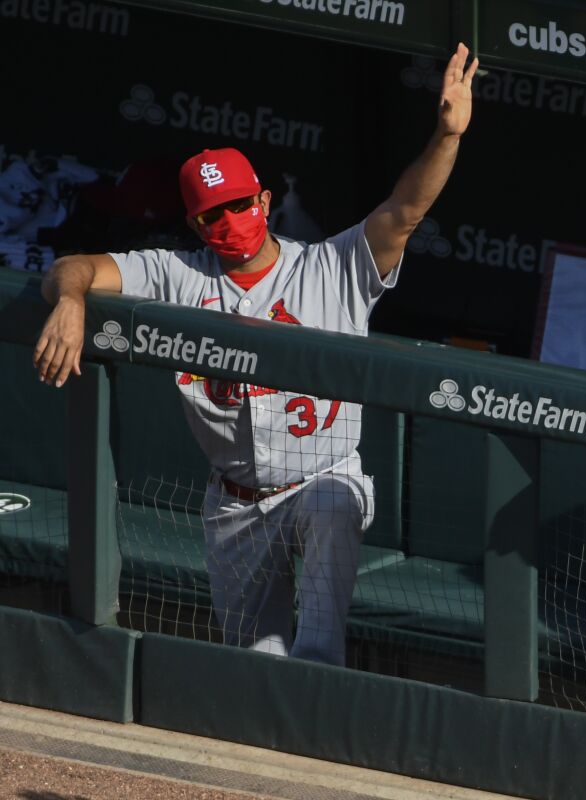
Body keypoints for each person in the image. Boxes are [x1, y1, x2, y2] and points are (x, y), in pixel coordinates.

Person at [32, 44, 480, 666]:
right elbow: (72, 267)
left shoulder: (332, 267)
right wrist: (72, 302)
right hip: (236, 500)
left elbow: (404, 213)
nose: (230, 221)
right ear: (195, 225)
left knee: (319, 636)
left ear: (264, 202)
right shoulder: (178, 274)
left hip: (323, 481)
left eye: (240, 205)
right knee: (258, 666)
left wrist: (446, 135)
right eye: (213, 214)